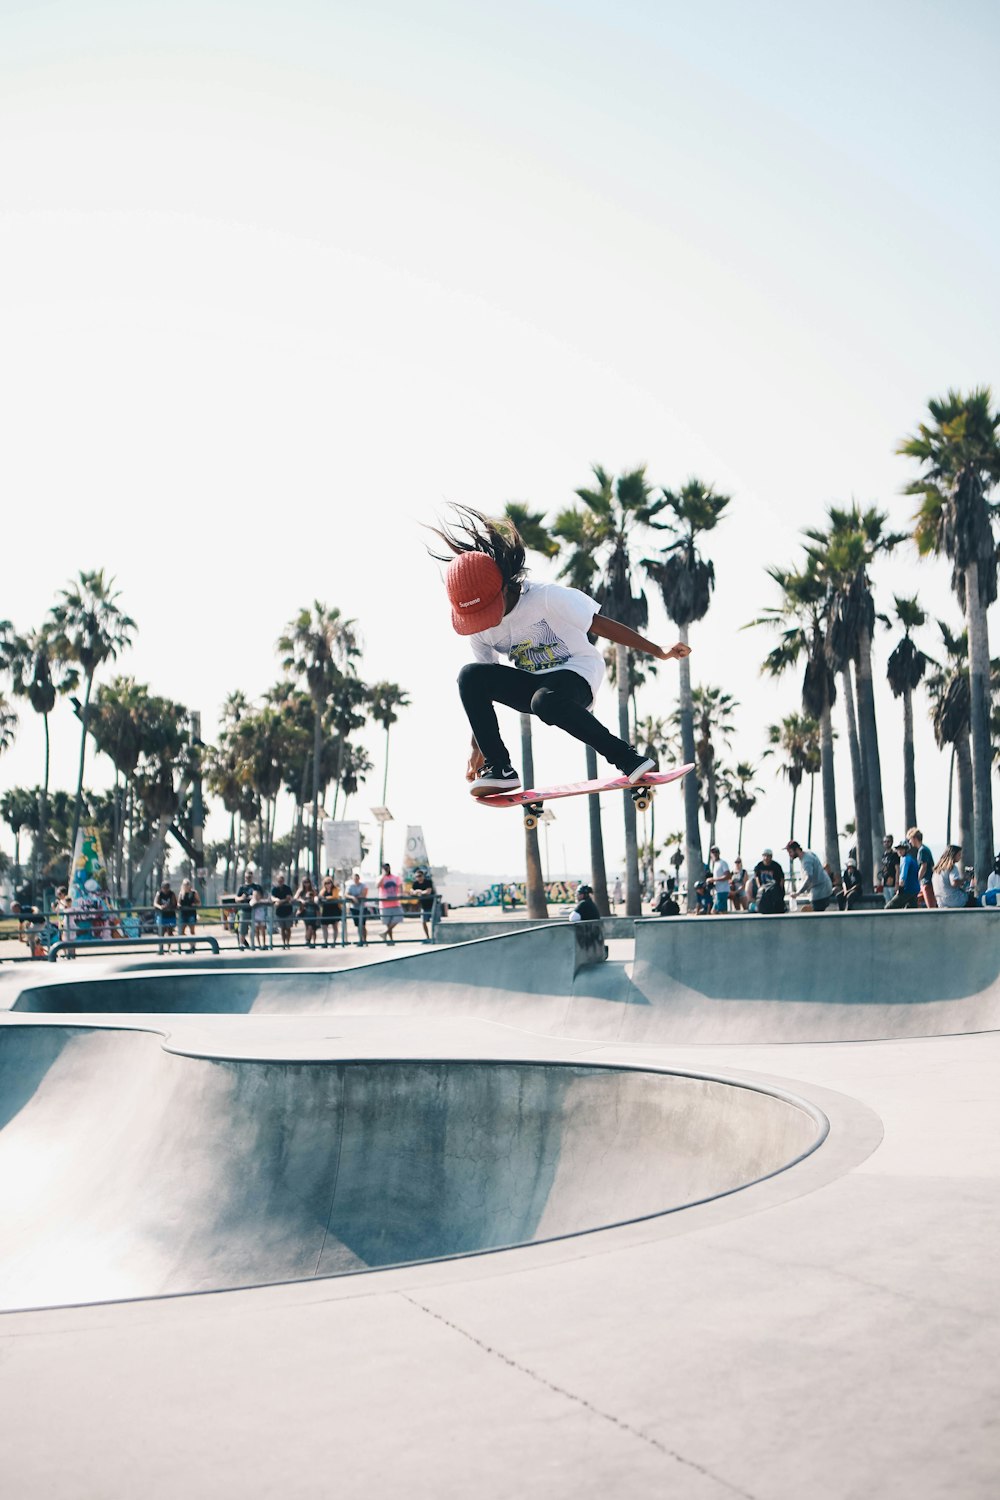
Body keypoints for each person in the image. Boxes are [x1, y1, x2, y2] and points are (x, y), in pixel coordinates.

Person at [430, 507, 690, 795]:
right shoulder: (479, 629)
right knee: (470, 675)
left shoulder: (547, 598)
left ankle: (629, 759)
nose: (488, 622)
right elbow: (481, 693)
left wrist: (657, 649)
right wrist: (476, 746)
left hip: (577, 673)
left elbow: (600, 625)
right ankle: (499, 767)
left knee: (545, 702)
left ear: (503, 588)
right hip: (533, 683)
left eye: (490, 611)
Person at [784, 840, 833, 912]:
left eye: (790, 852)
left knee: (816, 917)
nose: (789, 855)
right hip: (825, 887)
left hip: (820, 891)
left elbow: (809, 879)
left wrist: (797, 893)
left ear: (797, 850)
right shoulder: (808, 853)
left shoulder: (806, 861)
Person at [234, 866, 262, 949]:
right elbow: (236, 899)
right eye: (246, 877)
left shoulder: (256, 887)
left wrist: (254, 897)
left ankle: (254, 945)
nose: (248, 878)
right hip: (244, 911)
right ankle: (241, 944)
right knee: (242, 929)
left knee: (254, 929)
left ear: (252, 877)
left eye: (249, 877)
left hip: (255, 911)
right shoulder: (241, 887)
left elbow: (260, 897)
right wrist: (242, 898)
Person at [908, 828, 937, 908]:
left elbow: (923, 867)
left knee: (931, 906)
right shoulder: (924, 849)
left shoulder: (922, 850)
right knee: (915, 901)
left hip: (927, 882)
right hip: (925, 882)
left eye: (910, 839)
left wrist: (916, 880)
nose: (910, 842)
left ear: (914, 838)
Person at [886, 841, 920, 909]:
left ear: (906, 850)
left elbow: (903, 875)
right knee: (911, 911)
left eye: (902, 849)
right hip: (915, 890)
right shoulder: (910, 858)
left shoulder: (905, 859)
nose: (899, 851)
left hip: (907, 890)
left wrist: (900, 889)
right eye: (898, 849)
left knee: (888, 907)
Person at [750, 849, 785, 913]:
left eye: (768, 856)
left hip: (774, 888)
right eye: (764, 856)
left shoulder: (776, 866)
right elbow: (757, 877)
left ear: (771, 857)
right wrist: (759, 887)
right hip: (763, 888)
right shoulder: (759, 865)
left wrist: (780, 889)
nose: (766, 858)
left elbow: (781, 878)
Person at [378, 862, 404, 944]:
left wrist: (400, 893)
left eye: (387, 868)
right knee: (388, 923)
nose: (386, 869)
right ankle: (391, 940)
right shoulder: (380, 878)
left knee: (399, 916)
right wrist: (383, 876)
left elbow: (400, 886)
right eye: (384, 868)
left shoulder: (396, 877)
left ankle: (385, 933)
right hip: (385, 904)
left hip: (395, 903)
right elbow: (377, 885)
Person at [410, 866, 436, 941]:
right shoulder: (415, 884)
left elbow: (428, 891)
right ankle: (427, 937)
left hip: (432, 905)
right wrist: (416, 891)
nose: (419, 878)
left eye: (420, 876)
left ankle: (434, 937)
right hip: (424, 906)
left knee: (434, 922)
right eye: (417, 876)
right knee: (423, 922)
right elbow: (412, 891)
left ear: (423, 876)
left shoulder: (428, 882)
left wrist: (419, 892)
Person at [271, 871, 295, 948]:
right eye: (279, 881)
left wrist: (280, 901)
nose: (280, 882)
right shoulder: (275, 889)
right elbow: (273, 898)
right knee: (282, 928)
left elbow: (289, 898)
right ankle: (284, 943)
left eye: (281, 881)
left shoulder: (287, 888)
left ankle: (288, 943)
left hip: (288, 911)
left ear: (283, 881)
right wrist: (279, 900)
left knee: (288, 928)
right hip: (279, 912)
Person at [153, 880, 179, 953]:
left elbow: (175, 904)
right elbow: (155, 903)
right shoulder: (159, 894)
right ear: (162, 888)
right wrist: (160, 907)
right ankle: (161, 948)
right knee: (161, 932)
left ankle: (169, 948)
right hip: (162, 916)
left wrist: (169, 906)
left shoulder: (172, 894)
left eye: (167, 888)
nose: (166, 889)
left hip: (170, 915)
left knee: (170, 932)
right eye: (164, 888)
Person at [295, 877, 319, 948]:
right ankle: (308, 941)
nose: (306, 884)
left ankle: (312, 942)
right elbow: (296, 897)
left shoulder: (312, 890)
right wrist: (302, 900)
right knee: (308, 927)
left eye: (308, 882)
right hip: (305, 910)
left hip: (313, 910)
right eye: (305, 882)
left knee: (312, 928)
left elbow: (316, 897)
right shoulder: (301, 891)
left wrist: (314, 900)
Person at [318, 875, 342, 947]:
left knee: (335, 926)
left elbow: (335, 897)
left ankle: (334, 942)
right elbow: (320, 897)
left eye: (329, 883)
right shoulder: (323, 890)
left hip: (334, 909)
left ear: (331, 883)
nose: (328, 884)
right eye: (326, 883)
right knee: (324, 926)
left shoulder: (335, 889)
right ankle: (325, 942)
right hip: (326, 910)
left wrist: (326, 898)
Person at [346, 870, 368, 946]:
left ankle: (365, 940)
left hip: (362, 907)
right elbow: (346, 894)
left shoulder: (363, 885)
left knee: (363, 925)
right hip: (354, 908)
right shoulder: (350, 886)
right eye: (354, 878)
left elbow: (364, 894)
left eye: (357, 878)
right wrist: (352, 897)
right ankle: (360, 940)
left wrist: (357, 898)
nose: (356, 880)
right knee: (358, 925)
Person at [878, 835, 900, 906]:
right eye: (885, 842)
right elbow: (884, 868)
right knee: (887, 902)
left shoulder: (894, 855)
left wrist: (897, 883)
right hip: (885, 883)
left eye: (888, 841)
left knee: (893, 903)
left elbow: (897, 869)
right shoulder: (884, 855)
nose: (886, 843)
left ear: (891, 842)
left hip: (893, 883)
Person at [709, 846, 731, 913]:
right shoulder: (715, 864)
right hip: (717, 891)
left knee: (722, 911)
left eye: (716, 852)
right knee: (714, 911)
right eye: (713, 852)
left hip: (723, 890)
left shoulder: (723, 863)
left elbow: (728, 876)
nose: (714, 854)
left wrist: (714, 879)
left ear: (719, 853)